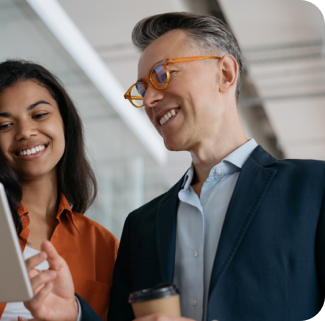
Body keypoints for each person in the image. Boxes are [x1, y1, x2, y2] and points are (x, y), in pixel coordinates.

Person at [103, 12, 325, 321]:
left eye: (162, 75)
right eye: (142, 90)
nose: (151, 98)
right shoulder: (141, 226)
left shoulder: (315, 188)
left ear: (225, 73)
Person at [0, 60, 119, 321]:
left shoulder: (103, 246)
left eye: (39, 115)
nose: (25, 132)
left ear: (65, 123)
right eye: (4, 125)